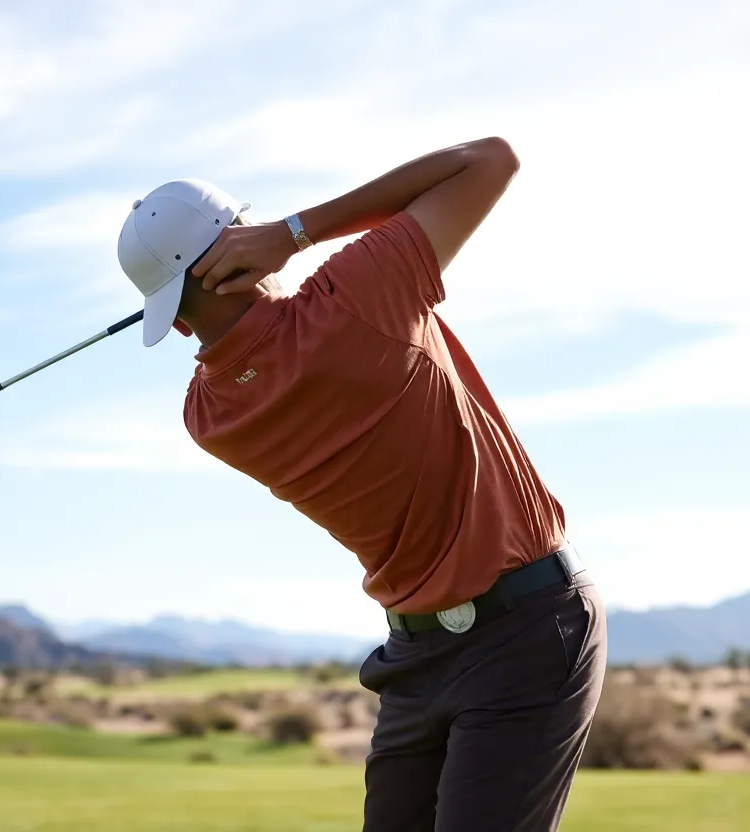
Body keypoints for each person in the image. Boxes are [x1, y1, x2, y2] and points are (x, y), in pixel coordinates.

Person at [116, 137, 608, 832]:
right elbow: (490, 159)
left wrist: (185, 299)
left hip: (439, 652)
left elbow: (230, 348)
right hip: (523, 626)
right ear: (234, 253)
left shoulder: (208, 416)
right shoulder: (358, 297)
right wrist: (292, 233)